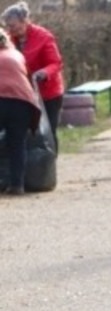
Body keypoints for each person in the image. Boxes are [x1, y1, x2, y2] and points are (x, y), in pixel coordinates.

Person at [2, 1, 63, 152]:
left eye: (13, 26)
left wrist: (44, 73)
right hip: (24, 93)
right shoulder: (8, 40)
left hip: (48, 93)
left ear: (25, 21)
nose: (10, 29)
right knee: (25, 130)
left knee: (49, 129)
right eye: (8, 26)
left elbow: (55, 63)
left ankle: (50, 160)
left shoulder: (44, 37)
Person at [0, 27, 41, 195]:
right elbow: (27, 78)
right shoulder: (17, 55)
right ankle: (17, 185)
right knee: (17, 145)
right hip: (22, 102)